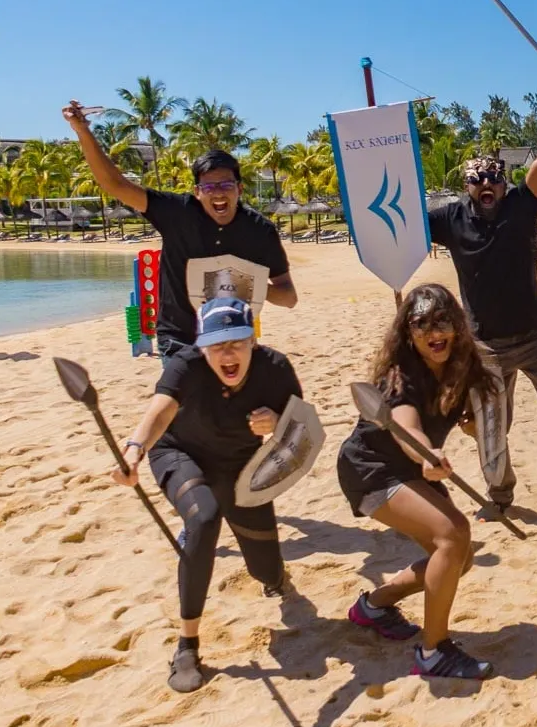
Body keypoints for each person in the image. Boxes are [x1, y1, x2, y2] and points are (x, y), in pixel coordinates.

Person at [109, 298, 303, 691]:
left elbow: (303, 429)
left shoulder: (276, 368)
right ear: (202, 347)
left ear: (253, 340)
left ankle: (276, 577)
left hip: (242, 467)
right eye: (217, 345)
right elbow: (160, 411)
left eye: (236, 342)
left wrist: (278, 421)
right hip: (181, 454)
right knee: (203, 518)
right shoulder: (186, 365)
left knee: (265, 569)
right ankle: (187, 644)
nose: (227, 354)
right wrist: (133, 449)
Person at [427, 86, 537, 515]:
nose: (487, 185)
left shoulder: (522, 204)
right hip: (484, 345)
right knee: (491, 427)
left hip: (536, 335)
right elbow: (400, 222)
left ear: (504, 183)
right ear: (467, 186)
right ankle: (501, 497)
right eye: (478, 180)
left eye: (494, 178)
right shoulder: (448, 218)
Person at [336, 284, 497, 679]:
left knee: (459, 557)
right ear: (408, 333)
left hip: (410, 469)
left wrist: (473, 424)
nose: (432, 331)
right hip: (370, 467)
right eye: (420, 323)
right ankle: (433, 652)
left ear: (457, 326)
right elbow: (407, 428)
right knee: (454, 534)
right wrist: (429, 454)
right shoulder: (398, 378)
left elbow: (482, 423)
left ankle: (373, 607)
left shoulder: (465, 367)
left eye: (441, 320)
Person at [63, 101, 296, 357]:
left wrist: (245, 283)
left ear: (239, 189)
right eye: (208, 187)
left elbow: (289, 298)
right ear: (197, 192)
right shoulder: (177, 212)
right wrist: (82, 131)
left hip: (235, 342)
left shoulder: (259, 230)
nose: (217, 193)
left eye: (226, 185)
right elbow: (115, 185)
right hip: (179, 340)